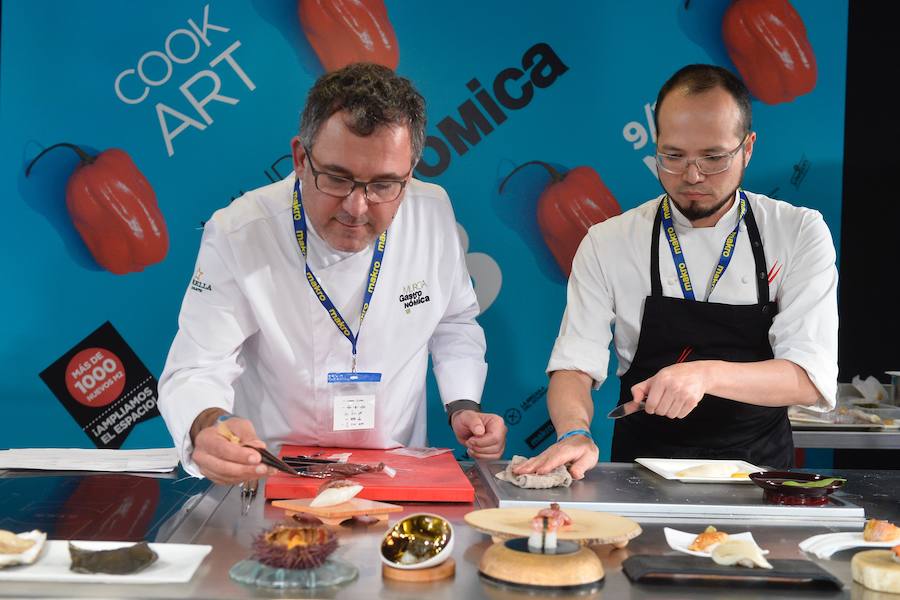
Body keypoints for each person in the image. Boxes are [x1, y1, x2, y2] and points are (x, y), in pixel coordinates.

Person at [158, 63, 506, 483]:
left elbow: (454, 320)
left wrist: (462, 404)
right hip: (271, 474)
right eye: (338, 179)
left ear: (410, 174)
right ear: (301, 158)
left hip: (394, 473)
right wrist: (208, 426)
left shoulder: (431, 212)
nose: (355, 208)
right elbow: (197, 367)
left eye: (383, 185)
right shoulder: (240, 231)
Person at [515, 64, 838, 479]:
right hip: (642, 471)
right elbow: (574, 365)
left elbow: (809, 378)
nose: (692, 176)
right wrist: (574, 432)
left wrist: (704, 374)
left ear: (748, 148)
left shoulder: (796, 231)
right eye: (673, 156)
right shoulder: (608, 241)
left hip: (761, 476)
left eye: (714, 158)